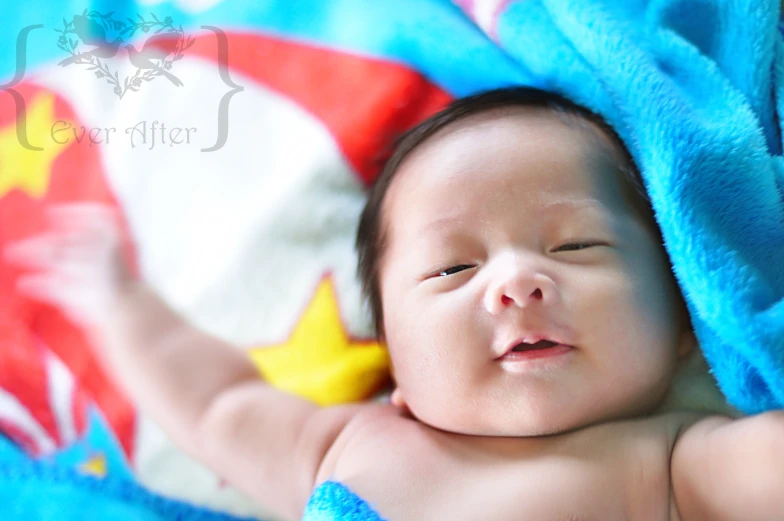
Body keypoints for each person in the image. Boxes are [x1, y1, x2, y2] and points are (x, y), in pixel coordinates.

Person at [6, 87, 783, 521]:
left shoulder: (673, 464)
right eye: (453, 268)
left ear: (684, 324)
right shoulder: (343, 444)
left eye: (577, 246)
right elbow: (216, 403)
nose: (516, 281)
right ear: (395, 352)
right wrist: (118, 303)